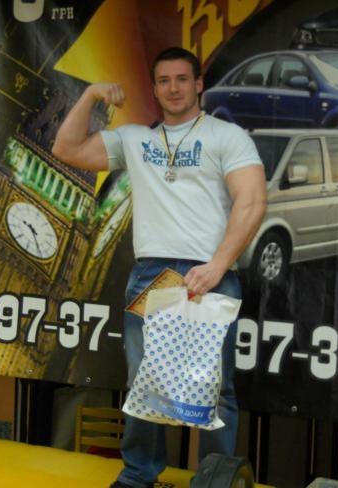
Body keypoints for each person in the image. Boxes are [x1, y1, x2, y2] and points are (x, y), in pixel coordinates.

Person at [52, 46, 266, 488]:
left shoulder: (227, 136)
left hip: (210, 274)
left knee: (215, 385)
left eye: (182, 79)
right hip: (152, 275)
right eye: (164, 81)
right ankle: (138, 475)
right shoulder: (135, 140)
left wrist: (217, 266)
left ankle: (215, 479)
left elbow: (252, 201)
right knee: (144, 382)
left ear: (199, 84)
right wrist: (90, 95)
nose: (174, 88)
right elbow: (66, 148)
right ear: (154, 89)